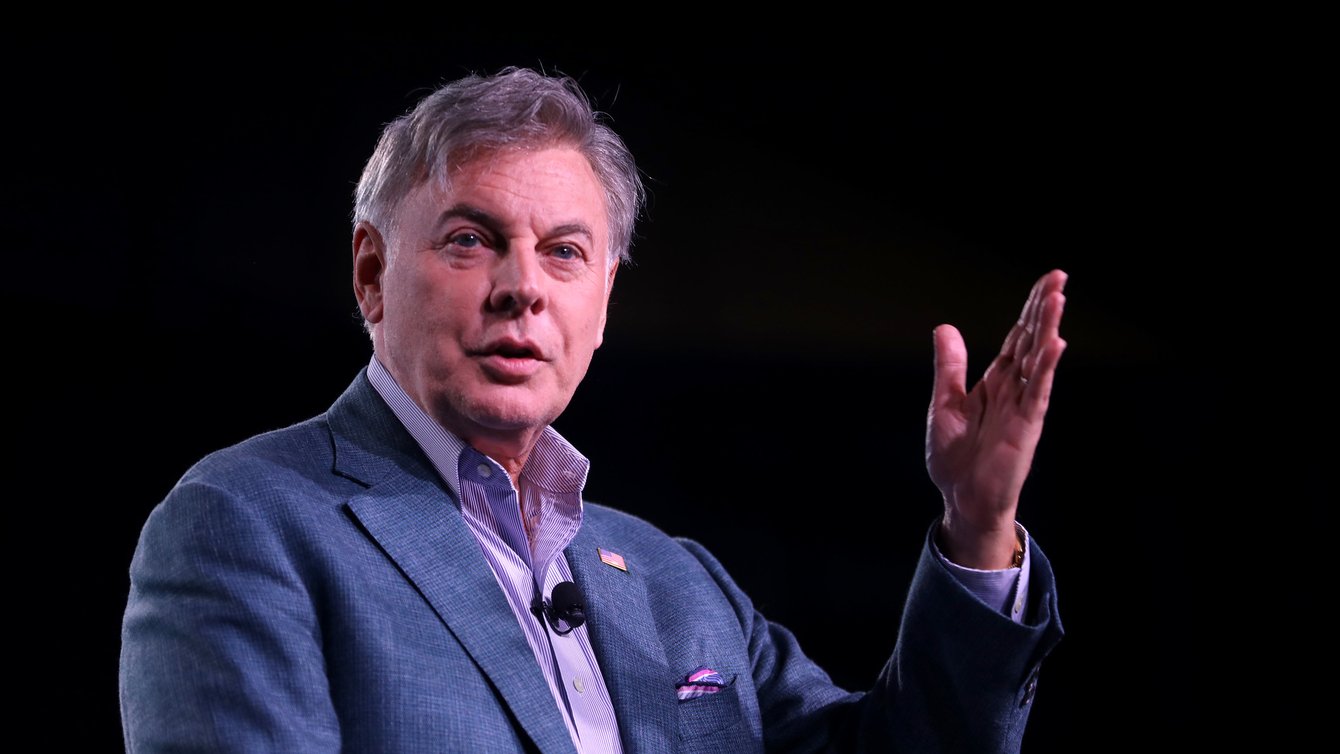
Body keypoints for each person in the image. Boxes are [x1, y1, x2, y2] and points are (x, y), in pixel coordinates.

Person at [119, 66, 1067, 753]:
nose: (522, 289)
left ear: (604, 302)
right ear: (371, 272)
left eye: (565, 252)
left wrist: (976, 530)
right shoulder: (246, 524)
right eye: (471, 240)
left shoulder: (674, 580)